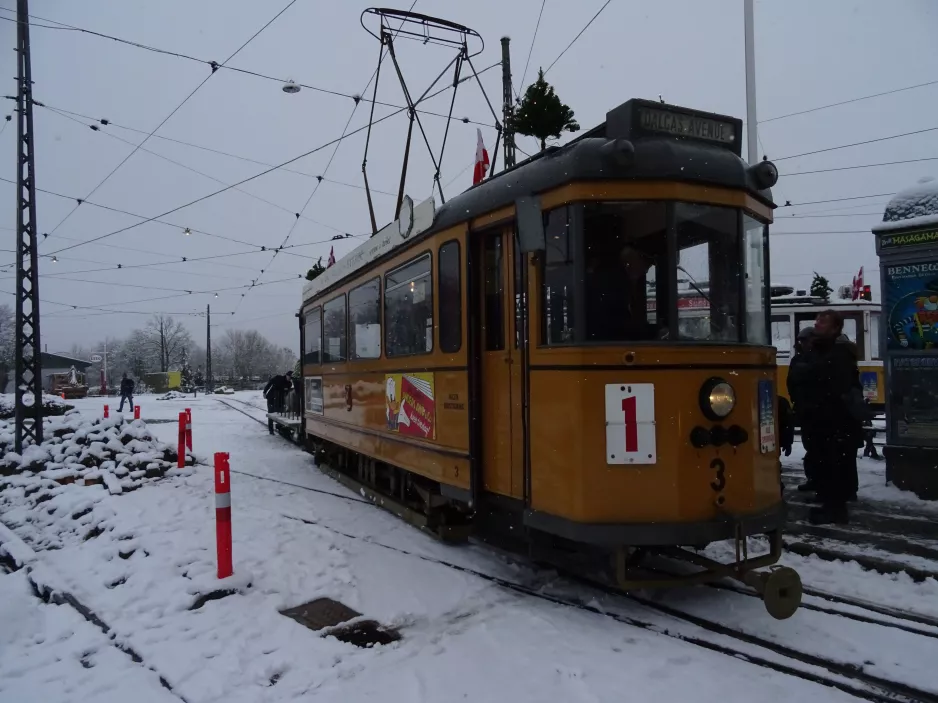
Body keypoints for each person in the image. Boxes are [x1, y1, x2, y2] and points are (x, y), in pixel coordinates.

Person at [802, 310, 865, 525]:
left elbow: (831, 384)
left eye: (823, 321)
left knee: (834, 464)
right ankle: (831, 505)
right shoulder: (825, 348)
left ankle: (835, 510)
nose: (817, 323)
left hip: (835, 421)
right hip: (826, 419)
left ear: (836, 328)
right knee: (828, 463)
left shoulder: (838, 352)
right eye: (817, 319)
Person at [787, 327, 818, 492]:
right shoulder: (800, 359)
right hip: (806, 408)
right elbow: (791, 383)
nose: (804, 343)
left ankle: (816, 480)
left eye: (805, 340)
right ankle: (814, 479)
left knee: (815, 447)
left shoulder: (810, 358)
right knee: (810, 445)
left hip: (812, 408)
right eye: (802, 341)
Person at [263, 370, 293, 435]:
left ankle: (280, 429)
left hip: (280, 401)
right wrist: (264, 392)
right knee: (271, 414)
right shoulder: (278, 378)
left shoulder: (289, 384)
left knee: (281, 414)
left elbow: (286, 393)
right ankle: (271, 430)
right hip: (272, 398)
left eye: (291, 378)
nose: (289, 378)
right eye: (289, 377)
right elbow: (269, 383)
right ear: (286, 375)